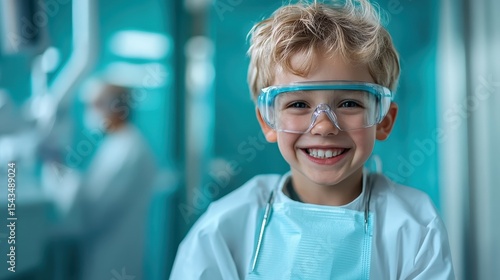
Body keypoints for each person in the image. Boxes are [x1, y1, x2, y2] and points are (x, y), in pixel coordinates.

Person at [170, 0, 455, 279]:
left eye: (349, 104)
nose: (323, 127)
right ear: (267, 123)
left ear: (384, 120)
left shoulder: (415, 226)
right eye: (298, 105)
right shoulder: (223, 228)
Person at [57, 80, 158, 279]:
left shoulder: (128, 150)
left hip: (113, 258)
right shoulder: (117, 144)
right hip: (108, 254)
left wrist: (63, 178)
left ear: (115, 107)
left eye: (95, 105)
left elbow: (93, 211)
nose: (90, 112)